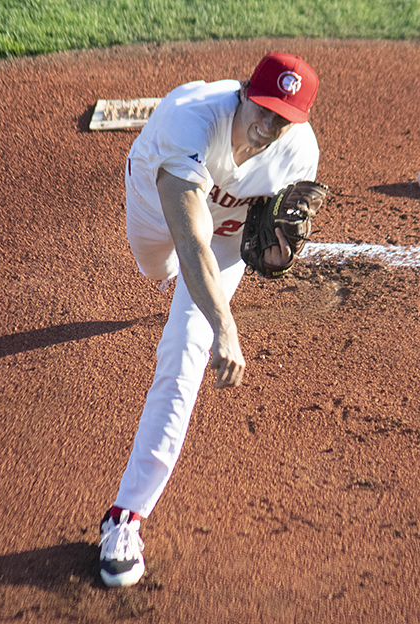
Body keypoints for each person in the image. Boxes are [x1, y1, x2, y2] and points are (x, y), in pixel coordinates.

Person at [99, 52, 322, 588]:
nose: (268, 127)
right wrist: (227, 324)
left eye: (284, 118)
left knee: (184, 350)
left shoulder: (299, 152)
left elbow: (245, 233)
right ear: (244, 92)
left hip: (223, 241)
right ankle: (188, 293)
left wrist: (266, 253)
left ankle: (125, 516)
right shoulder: (190, 116)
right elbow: (190, 233)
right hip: (159, 213)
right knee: (160, 269)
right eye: (264, 109)